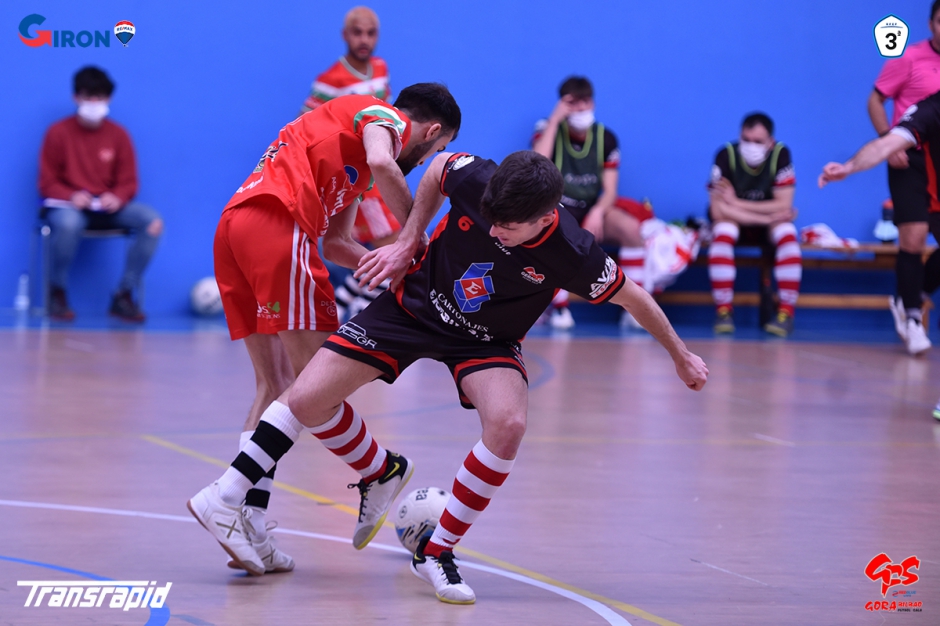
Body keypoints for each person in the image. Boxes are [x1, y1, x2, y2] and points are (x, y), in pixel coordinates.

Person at [187, 150, 709, 603]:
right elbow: (438, 167)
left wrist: (681, 355)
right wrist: (409, 237)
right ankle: (369, 473)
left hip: (485, 342)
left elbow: (634, 298)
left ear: (545, 217)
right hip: (411, 308)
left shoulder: (574, 252)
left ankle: (437, 552)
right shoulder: (479, 179)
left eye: (508, 227)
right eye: (491, 219)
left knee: (508, 423)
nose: (495, 230)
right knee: (305, 397)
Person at [188, 85, 460, 576]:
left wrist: (393, 267)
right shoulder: (381, 116)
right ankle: (378, 469)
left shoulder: (352, 159)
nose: (425, 163)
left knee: (276, 385)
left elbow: (336, 243)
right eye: (435, 152)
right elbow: (383, 161)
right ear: (432, 132)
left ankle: (249, 523)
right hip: (278, 226)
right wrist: (415, 240)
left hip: (237, 229)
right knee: (316, 385)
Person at [38, 66, 163, 322]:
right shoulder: (57, 132)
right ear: (76, 97)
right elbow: (47, 182)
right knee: (69, 223)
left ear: (109, 99)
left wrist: (117, 197)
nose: (95, 103)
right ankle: (56, 291)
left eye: (100, 97)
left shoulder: (119, 135)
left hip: (107, 209)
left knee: (152, 222)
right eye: (89, 96)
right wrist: (71, 196)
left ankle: (123, 294)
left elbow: (129, 182)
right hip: (69, 208)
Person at [819, 90, 940, 353]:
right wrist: (849, 167)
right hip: (934, 199)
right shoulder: (931, 110)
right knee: (914, 237)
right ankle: (911, 312)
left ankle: (914, 295)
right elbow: (885, 145)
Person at [300, 6, 401, 320]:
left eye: (371, 33)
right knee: (392, 245)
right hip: (356, 178)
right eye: (357, 32)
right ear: (345, 35)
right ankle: (358, 310)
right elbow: (305, 126)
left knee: (385, 248)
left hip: (378, 171)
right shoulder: (330, 80)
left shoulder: (381, 68)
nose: (364, 39)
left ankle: (344, 305)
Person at [532, 76, 654, 329]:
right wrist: (555, 119)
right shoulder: (548, 130)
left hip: (591, 208)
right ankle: (559, 309)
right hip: (559, 207)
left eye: (585, 102)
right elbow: (537, 163)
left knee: (631, 230)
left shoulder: (606, 138)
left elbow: (610, 190)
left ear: (593, 103)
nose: (580, 108)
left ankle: (634, 311)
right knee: (553, 232)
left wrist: (598, 211)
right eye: (572, 103)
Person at [866, 0, 940, 355]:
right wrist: (887, 141)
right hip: (908, 159)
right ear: (931, 24)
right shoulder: (909, 57)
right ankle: (912, 319)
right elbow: (875, 100)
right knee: (914, 236)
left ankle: (910, 294)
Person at [707, 112, 801, 337]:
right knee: (723, 230)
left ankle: (786, 314)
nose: (751, 146)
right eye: (746, 140)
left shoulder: (781, 154)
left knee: (788, 233)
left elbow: (784, 204)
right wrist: (766, 217)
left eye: (758, 141)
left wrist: (736, 202)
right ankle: (723, 311)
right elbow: (718, 211)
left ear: (770, 142)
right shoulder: (725, 155)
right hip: (744, 221)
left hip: (761, 223)